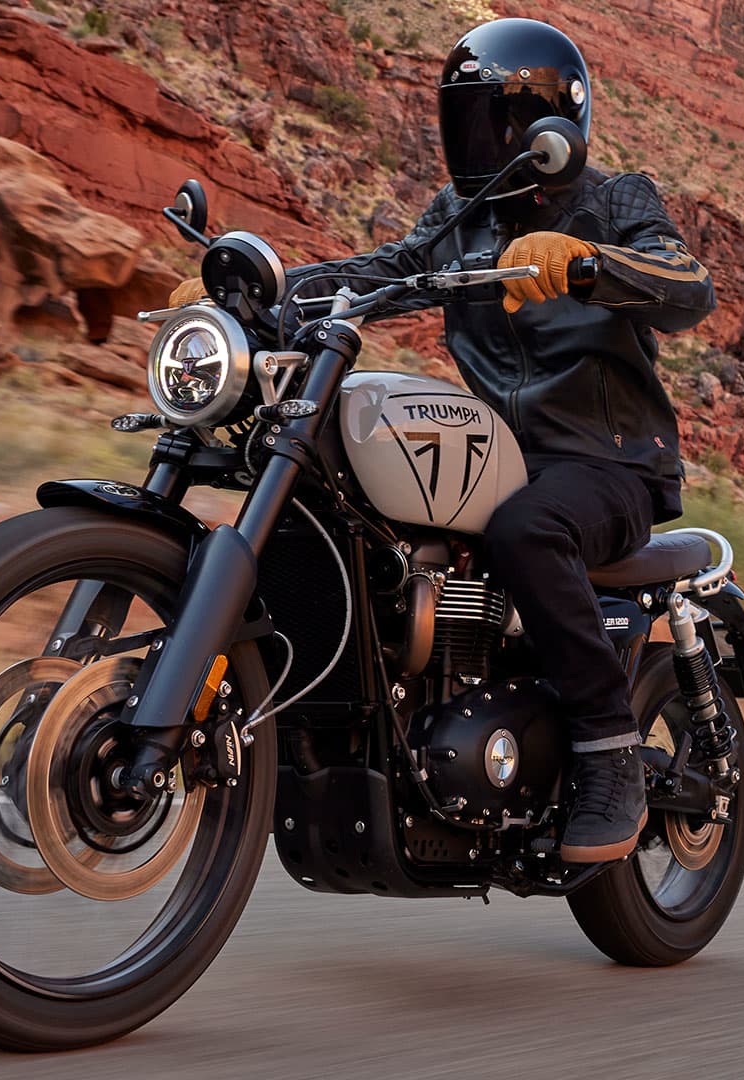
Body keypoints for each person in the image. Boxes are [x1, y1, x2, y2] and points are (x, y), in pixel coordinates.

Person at [169, 18, 716, 862]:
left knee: (525, 529)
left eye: (495, 117)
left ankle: (610, 753)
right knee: (349, 512)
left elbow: (687, 286)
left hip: (610, 466)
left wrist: (586, 263)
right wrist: (254, 296)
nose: (478, 138)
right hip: (504, 459)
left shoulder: (615, 199)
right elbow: (378, 275)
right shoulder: (457, 218)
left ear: (548, 125)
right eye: (462, 118)